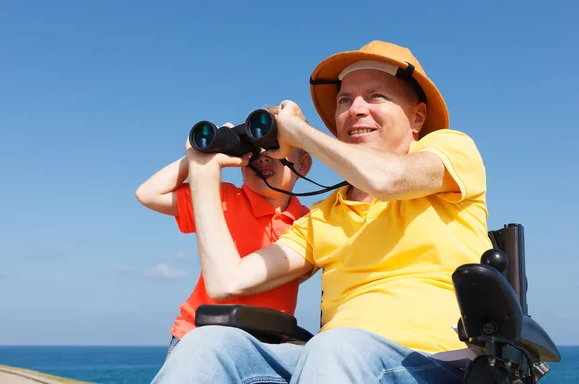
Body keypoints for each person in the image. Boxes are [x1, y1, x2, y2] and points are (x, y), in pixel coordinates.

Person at [152, 40, 492, 383]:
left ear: (418, 116)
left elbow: (387, 179)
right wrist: (203, 171)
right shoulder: (321, 217)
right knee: (206, 345)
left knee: (335, 346)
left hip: (430, 362)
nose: (355, 109)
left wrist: (297, 130)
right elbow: (227, 282)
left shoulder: (451, 150)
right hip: (328, 361)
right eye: (345, 100)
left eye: (376, 97)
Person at [135, 106, 313, 359]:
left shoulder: (310, 221)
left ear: (303, 164)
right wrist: (199, 158)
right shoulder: (221, 197)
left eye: (274, 148)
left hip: (268, 345)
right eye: (253, 152)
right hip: (199, 334)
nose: (262, 158)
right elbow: (148, 194)